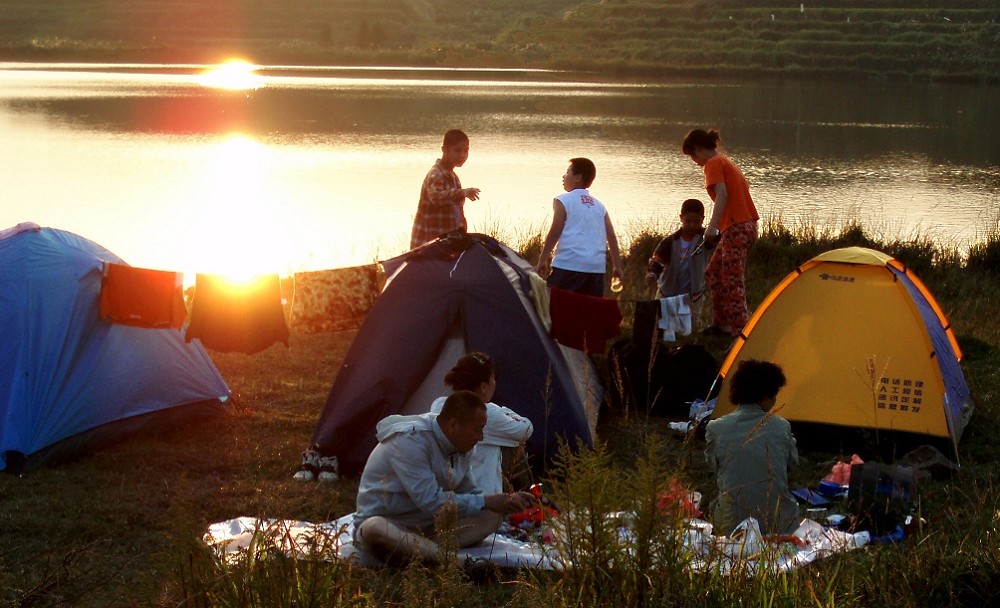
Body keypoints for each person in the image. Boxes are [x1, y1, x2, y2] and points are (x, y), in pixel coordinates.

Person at [353, 391, 536, 566]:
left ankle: (424, 553)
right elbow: (431, 502)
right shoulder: (411, 441)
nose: (481, 438)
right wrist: (486, 500)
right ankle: (454, 561)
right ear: (453, 425)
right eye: (477, 430)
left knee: (492, 515)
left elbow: (471, 493)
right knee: (374, 527)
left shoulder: (459, 447)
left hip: (428, 528)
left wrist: (507, 501)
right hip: (392, 526)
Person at [704, 359, 800, 536]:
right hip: (779, 525)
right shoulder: (781, 426)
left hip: (730, 525)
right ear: (766, 395)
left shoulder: (715, 428)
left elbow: (714, 466)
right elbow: (792, 464)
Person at [681, 128, 759, 337]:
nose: (694, 162)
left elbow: (722, 195)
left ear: (698, 149)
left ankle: (741, 332)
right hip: (743, 226)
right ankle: (723, 325)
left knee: (731, 280)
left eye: (692, 156)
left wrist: (712, 227)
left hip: (737, 227)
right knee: (714, 273)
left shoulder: (713, 164)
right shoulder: (725, 161)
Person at [429, 352, 534, 494]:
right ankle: (531, 498)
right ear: (483, 386)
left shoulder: (439, 405)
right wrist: (504, 410)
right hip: (483, 499)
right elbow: (526, 429)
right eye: (493, 379)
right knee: (513, 446)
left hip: (445, 495)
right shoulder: (486, 413)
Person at [535, 157, 624, 298]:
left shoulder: (563, 200)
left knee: (556, 308)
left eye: (568, 172)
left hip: (568, 266)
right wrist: (617, 267)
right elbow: (611, 236)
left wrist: (542, 259)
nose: (564, 176)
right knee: (587, 313)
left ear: (578, 177)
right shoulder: (599, 206)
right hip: (595, 270)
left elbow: (555, 231)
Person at [410, 129, 481, 249]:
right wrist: (463, 192)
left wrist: (462, 232)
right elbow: (437, 198)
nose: (462, 155)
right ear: (444, 150)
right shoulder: (436, 174)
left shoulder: (453, 177)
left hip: (446, 242)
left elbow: (458, 212)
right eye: (457, 150)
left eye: (466, 151)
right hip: (427, 244)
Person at [644, 198, 710, 325]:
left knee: (689, 328)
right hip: (667, 294)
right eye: (688, 221)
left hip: (693, 297)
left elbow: (718, 235)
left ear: (703, 219)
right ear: (681, 218)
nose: (692, 225)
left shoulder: (705, 240)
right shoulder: (669, 242)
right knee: (663, 326)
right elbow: (657, 262)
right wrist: (652, 274)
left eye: (696, 222)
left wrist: (712, 229)